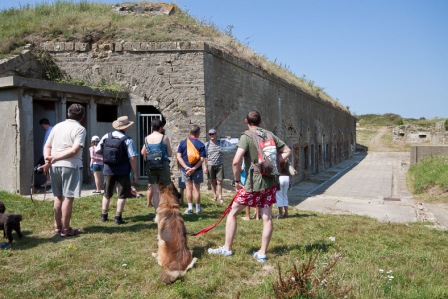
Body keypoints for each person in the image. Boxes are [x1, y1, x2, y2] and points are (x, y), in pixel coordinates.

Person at [208, 110, 291, 262]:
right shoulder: (269, 134)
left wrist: (237, 181)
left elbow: (235, 161)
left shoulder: (246, 137)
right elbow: (287, 150)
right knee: (267, 217)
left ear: (246, 121)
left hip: (253, 183)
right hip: (270, 182)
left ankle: (227, 248)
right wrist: (273, 163)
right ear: (261, 121)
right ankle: (262, 253)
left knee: (232, 213)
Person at [39, 104, 86, 237]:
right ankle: (66, 229)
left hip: (55, 166)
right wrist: (53, 158)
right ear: (82, 116)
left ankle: (57, 226)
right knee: (68, 197)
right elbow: (74, 150)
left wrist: (48, 160)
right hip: (71, 165)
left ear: (68, 113)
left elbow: (47, 146)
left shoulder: (57, 126)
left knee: (58, 196)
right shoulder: (80, 129)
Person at [96, 116, 139, 225]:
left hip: (108, 169)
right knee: (122, 194)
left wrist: (108, 157)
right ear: (126, 127)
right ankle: (118, 217)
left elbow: (98, 150)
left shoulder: (107, 136)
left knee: (106, 193)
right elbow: (132, 158)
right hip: (123, 171)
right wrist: (135, 173)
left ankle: (104, 215)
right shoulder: (128, 140)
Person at [141, 118, 173, 212]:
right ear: (161, 127)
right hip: (163, 165)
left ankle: (157, 214)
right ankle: (167, 211)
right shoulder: (164, 138)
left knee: (155, 191)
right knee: (166, 189)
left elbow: (143, 152)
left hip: (151, 166)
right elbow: (170, 153)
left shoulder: (146, 138)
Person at [177, 125, 206, 215]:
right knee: (196, 189)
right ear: (198, 133)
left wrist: (186, 167)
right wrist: (193, 168)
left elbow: (179, 157)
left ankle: (190, 208)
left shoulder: (182, 143)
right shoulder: (201, 144)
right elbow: (202, 159)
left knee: (188, 189)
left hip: (185, 170)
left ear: (190, 132)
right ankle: (198, 209)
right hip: (196, 169)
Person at [205, 128, 224, 204]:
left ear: (216, 134)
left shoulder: (221, 143)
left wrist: (229, 139)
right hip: (210, 164)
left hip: (219, 164)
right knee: (212, 181)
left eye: (213, 134)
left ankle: (220, 196)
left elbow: (229, 144)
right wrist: (205, 166)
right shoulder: (207, 144)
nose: (212, 135)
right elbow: (205, 156)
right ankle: (214, 195)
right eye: (210, 134)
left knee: (219, 181)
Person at [39, 118, 53, 187]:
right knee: (42, 167)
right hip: (46, 153)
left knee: (40, 167)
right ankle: (48, 180)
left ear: (43, 124)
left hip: (48, 154)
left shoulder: (50, 130)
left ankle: (49, 181)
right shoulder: (50, 130)